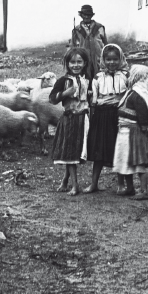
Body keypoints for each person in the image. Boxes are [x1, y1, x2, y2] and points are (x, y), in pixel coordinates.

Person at [84, 43, 128, 193]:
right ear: (103, 60)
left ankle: (121, 184)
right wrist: (93, 115)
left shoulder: (126, 76)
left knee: (119, 148)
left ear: (121, 59)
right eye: (108, 59)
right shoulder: (98, 77)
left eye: (115, 59)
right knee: (99, 149)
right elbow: (94, 99)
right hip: (102, 116)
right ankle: (94, 183)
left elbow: (128, 96)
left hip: (119, 115)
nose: (112, 63)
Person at [49, 47, 92, 195]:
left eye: (79, 62)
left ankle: (65, 181)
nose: (76, 65)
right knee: (71, 152)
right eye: (72, 62)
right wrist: (65, 93)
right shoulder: (63, 81)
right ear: (67, 64)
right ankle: (75, 185)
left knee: (75, 152)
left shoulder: (87, 80)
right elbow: (52, 99)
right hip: (69, 119)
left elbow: (90, 99)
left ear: (85, 63)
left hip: (83, 119)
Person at [113, 64, 148, 200]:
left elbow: (143, 115)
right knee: (126, 161)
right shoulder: (132, 92)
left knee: (138, 161)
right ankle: (130, 188)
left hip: (134, 133)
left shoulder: (138, 95)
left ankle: (144, 191)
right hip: (125, 131)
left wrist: (143, 129)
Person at [69, 4, 107, 77]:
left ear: (91, 16)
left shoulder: (99, 28)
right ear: (81, 15)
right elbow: (73, 46)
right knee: (84, 77)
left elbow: (105, 44)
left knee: (99, 77)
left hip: (98, 58)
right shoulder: (77, 30)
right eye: (84, 14)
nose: (86, 17)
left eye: (88, 15)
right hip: (83, 58)